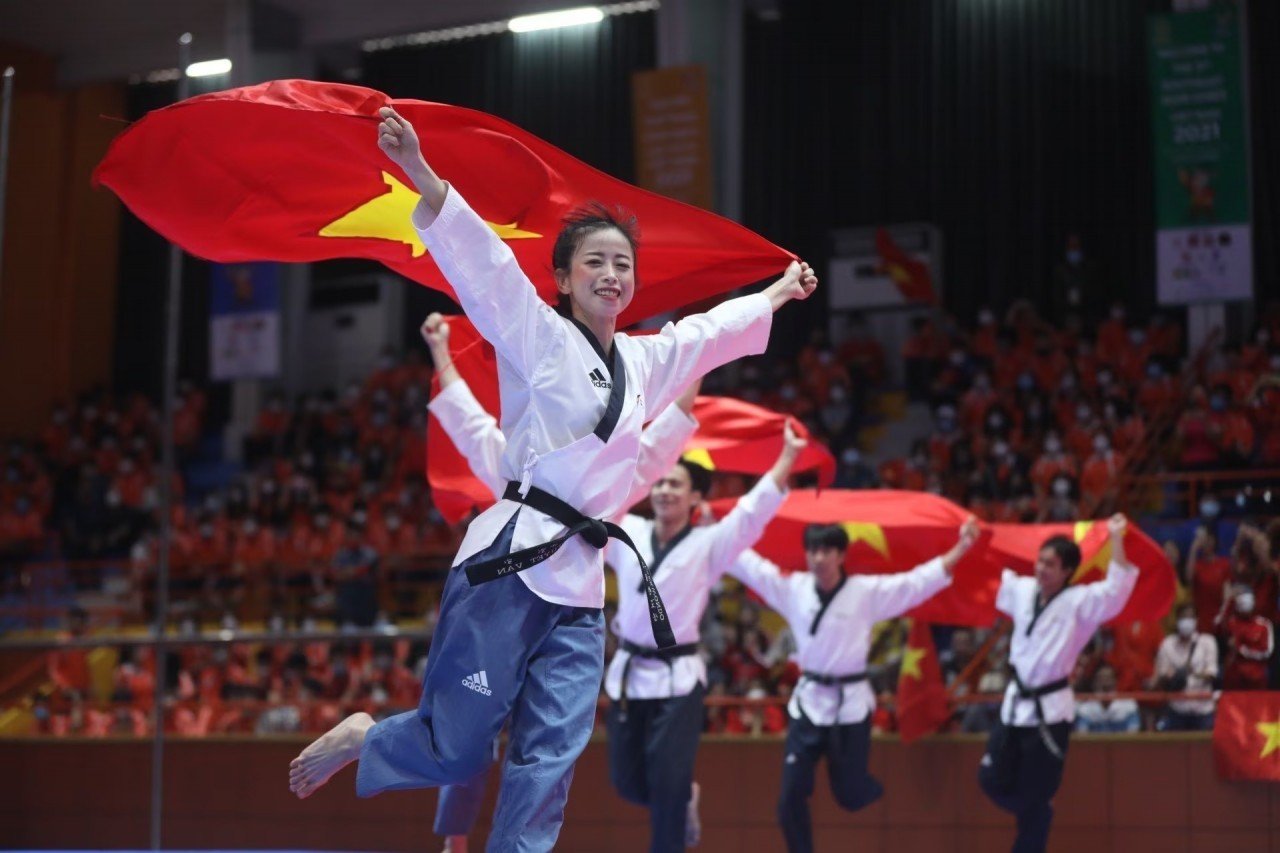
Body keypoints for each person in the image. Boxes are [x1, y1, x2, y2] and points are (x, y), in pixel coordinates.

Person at [288, 106, 817, 853]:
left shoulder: (642, 360)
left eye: (623, 264)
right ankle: (371, 739)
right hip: (508, 563)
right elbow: (484, 265)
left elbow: (707, 335)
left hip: (577, 590)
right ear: (565, 279)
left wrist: (776, 294)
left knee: (550, 761)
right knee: (458, 750)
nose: (611, 273)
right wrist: (419, 171)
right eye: (595, 262)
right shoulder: (536, 334)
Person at [422, 310, 804, 851]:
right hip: (502, 612)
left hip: (570, 626)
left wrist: (695, 365)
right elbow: (467, 422)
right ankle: (455, 838)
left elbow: (658, 450)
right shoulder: (514, 464)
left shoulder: (610, 493)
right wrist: (441, 351)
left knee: (546, 752)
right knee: (467, 726)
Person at [725, 517, 980, 853]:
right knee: (789, 799)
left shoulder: (864, 593)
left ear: (841, 555)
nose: (818, 558)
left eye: (827, 550)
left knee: (850, 795)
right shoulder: (793, 588)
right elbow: (752, 567)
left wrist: (961, 548)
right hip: (809, 703)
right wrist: (721, 529)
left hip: (850, 707)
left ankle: (869, 787)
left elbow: (915, 584)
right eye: (813, 550)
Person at [977, 514, 1138, 853]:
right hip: (1015, 705)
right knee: (991, 781)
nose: (1039, 568)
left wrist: (1116, 538)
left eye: (1049, 564)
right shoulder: (1023, 589)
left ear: (1067, 571)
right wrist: (972, 539)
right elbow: (989, 568)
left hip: (1050, 712)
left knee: (1035, 798)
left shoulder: (1079, 602)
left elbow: (1118, 586)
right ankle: (1038, 810)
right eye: (1039, 560)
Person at [1153, 603, 1218, 731]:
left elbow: (1211, 673)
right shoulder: (1167, 644)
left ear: (1196, 621)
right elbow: (1162, 675)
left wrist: (1190, 673)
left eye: (1190, 618)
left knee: (1204, 749)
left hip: (1203, 710)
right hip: (1177, 709)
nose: (1187, 622)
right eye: (1183, 618)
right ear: (1177, 621)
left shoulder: (1208, 642)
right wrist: (1173, 676)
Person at [1073, 664, 1139, 733]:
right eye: (1101, 678)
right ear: (1095, 682)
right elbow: (1082, 737)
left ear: (1115, 681)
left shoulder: (1129, 705)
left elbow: (1132, 735)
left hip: (1121, 743)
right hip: (1094, 743)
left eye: (1108, 678)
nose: (1105, 682)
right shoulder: (1085, 708)